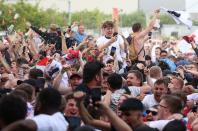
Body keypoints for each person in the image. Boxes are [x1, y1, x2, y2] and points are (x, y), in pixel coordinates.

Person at [4, 88, 68, 131]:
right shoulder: (63, 121)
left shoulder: (47, 118)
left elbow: (23, 125)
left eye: (36, 101)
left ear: (40, 103)